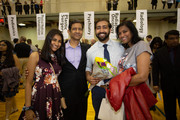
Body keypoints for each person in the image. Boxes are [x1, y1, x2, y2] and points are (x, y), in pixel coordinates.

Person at [19, 29, 65, 120]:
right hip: (40, 95)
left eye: (59, 41)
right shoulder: (36, 55)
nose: (57, 43)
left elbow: (56, 78)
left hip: (54, 95)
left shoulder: (57, 58)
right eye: (54, 40)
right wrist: (28, 107)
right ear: (48, 40)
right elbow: (28, 83)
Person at [86, 19, 124, 120]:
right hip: (99, 89)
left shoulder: (121, 47)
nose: (101, 30)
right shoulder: (90, 51)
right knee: (99, 116)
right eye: (98, 28)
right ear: (95, 31)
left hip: (118, 89)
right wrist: (88, 76)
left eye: (104, 27)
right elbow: (88, 67)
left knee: (118, 117)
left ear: (110, 29)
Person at [116, 20, 155, 119]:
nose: (122, 35)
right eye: (119, 33)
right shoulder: (126, 49)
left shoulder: (141, 45)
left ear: (132, 31)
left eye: (125, 31)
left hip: (137, 94)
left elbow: (142, 76)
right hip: (125, 94)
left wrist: (117, 84)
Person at [58, 20, 90, 120]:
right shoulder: (60, 49)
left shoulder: (88, 49)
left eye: (80, 29)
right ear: (69, 31)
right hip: (65, 94)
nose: (77, 31)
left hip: (82, 93)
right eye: (74, 29)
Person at [152, 30, 180, 120]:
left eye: (177, 38)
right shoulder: (159, 52)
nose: (175, 40)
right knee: (169, 109)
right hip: (167, 85)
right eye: (172, 38)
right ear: (166, 40)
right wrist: (155, 83)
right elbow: (155, 69)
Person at [0, 40, 20, 120]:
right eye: (0, 45)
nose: (1, 46)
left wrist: (5, 72)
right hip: (1, 81)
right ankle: (14, 108)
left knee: (8, 98)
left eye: (3, 45)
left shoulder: (13, 56)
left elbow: (18, 68)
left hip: (10, 81)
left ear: (8, 46)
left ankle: (7, 117)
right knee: (9, 97)